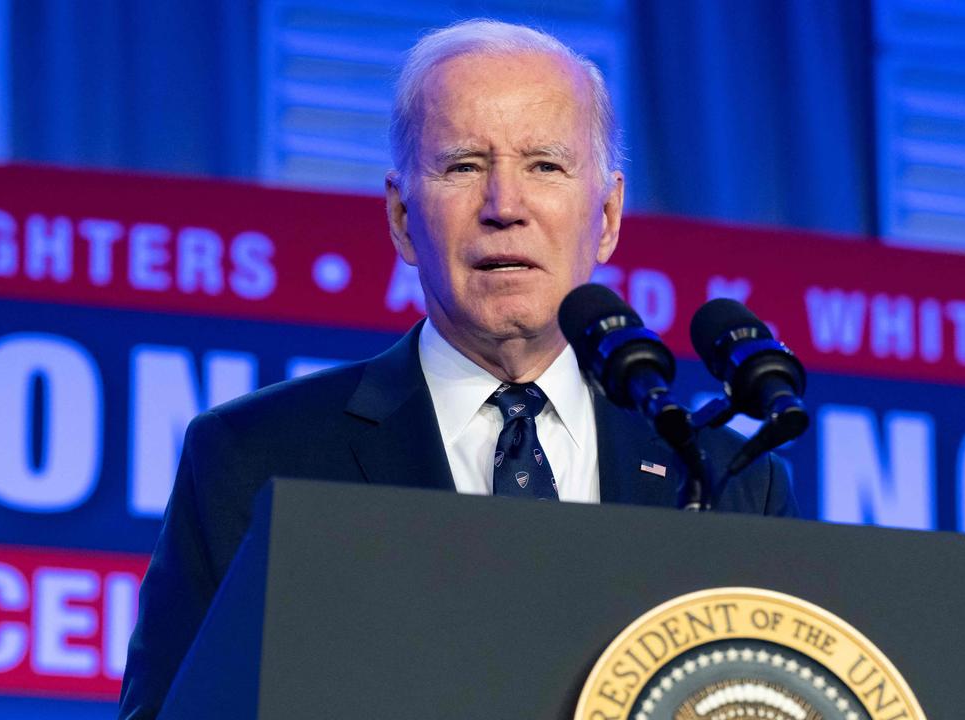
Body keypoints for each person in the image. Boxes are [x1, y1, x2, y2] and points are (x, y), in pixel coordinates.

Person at [118, 19, 797, 719]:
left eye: (545, 165)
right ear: (402, 219)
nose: (505, 207)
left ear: (608, 216)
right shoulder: (252, 456)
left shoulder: (730, 483)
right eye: (464, 166)